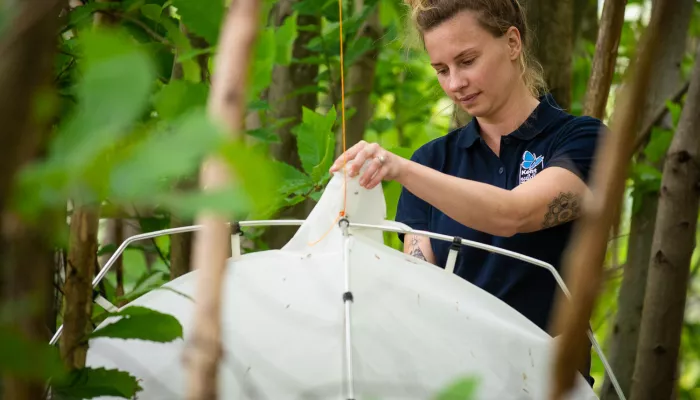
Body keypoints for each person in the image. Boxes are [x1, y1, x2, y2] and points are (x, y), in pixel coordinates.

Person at [329, 0, 604, 387]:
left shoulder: (581, 139)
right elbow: (420, 287)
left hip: (553, 385)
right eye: (441, 69)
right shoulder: (431, 162)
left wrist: (402, 170)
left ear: (512, 43)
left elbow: (516, 214)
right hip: (458, 382)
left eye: (467, 60)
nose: (455, 83)